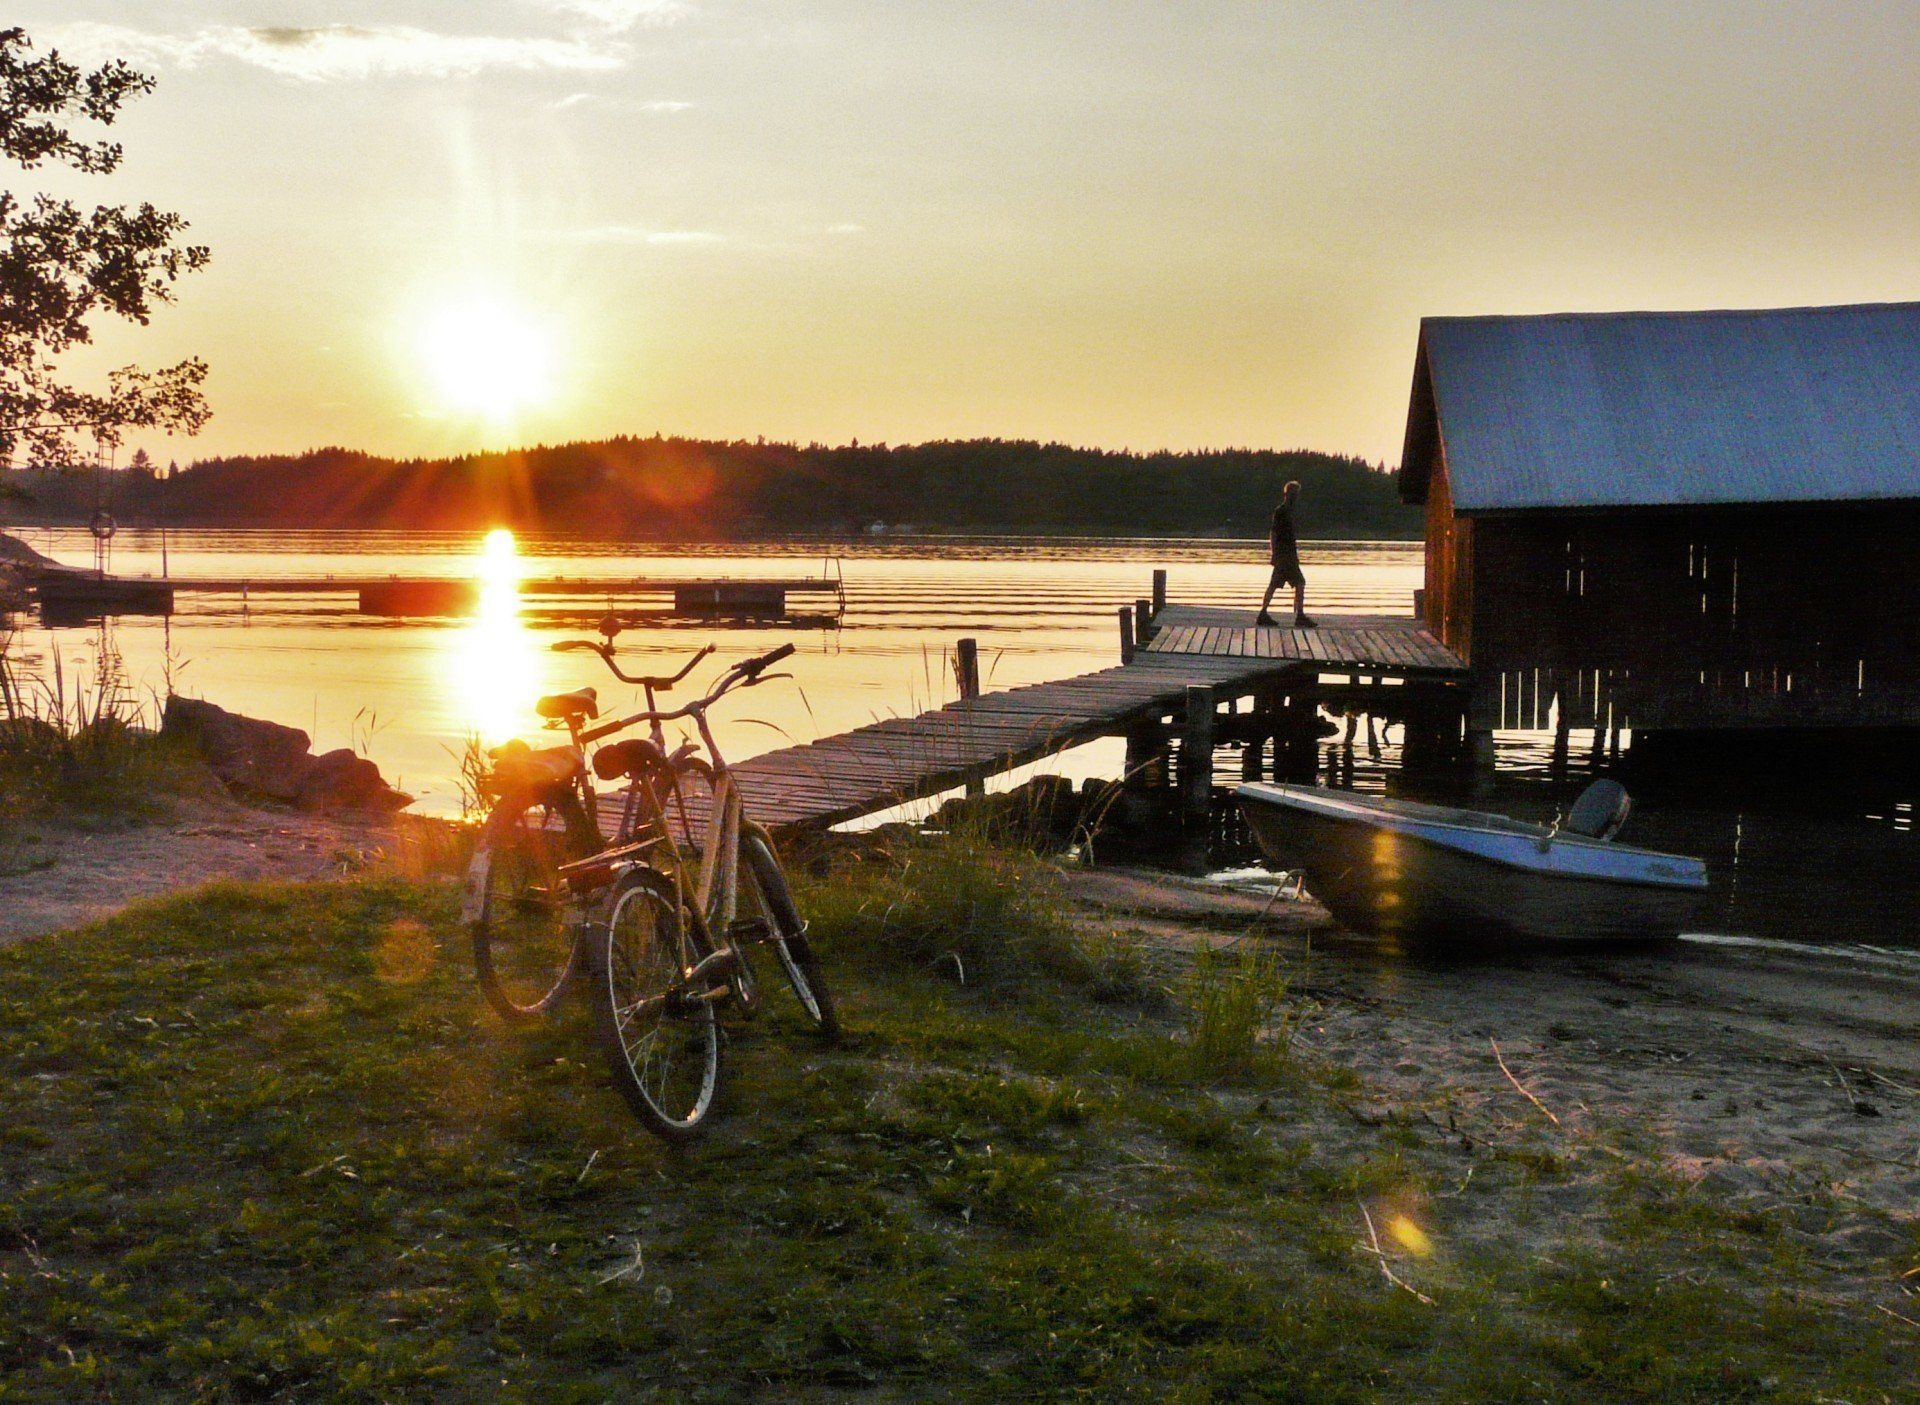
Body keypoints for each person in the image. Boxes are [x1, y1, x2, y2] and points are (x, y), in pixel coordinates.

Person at [1257, 480, 1314, 627]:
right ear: (1288, 494)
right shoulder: (1281, 511)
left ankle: (1264, 613)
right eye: (1294, 494)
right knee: (1295, 583)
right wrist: (1274, 554)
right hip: (1284, 556)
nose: (1296, 497)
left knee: (1284, 584)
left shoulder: (1289, 511)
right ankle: (1298, 616)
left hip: (1289, 555)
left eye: (1297, 494)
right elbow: (1273, 533)